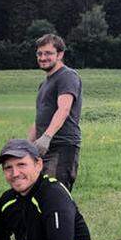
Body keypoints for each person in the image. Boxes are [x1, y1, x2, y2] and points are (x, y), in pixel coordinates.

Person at [28, 34, 82, 191]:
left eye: (48, 53)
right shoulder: (43, 84)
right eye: (39, 54)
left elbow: (64, 109)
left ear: (60, 54)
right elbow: (39, 119)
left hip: (62, 146)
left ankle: (70, 217)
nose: (43, 57)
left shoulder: (67, 76)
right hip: (43, 148)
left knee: (56, 195)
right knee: (39, 194)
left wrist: (46, 137)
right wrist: (28, 145)